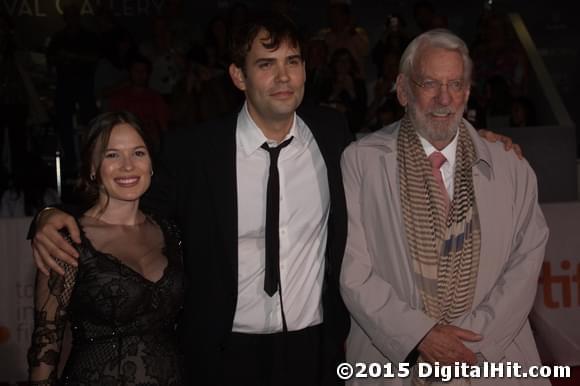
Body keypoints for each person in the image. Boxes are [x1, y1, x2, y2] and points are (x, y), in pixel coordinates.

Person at [30, 15, 520, 386]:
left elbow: (409, 140)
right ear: (239, 76)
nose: (283, 77)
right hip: (223, 351)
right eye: (266, 64)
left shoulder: (334, 135)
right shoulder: (196, 151)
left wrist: (481, 141)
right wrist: (52, 215)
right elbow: (125, 199)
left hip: (317, 349)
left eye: (293, 62)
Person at [339, 29, 548, 385]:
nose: (443, 98)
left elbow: (525, 266)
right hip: (396, 365)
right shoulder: (361, 162)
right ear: (403, 90)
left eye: (455, 84)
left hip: (490, 364)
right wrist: (420, 336)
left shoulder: (511, 167)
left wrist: (464, 343)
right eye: (429, 83)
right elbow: (354, 272)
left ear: (467, 92)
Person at [27, 111, 185, 385]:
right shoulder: (68, 239)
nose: (128, 166)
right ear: (92, 167)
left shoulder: (171, 232)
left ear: (151, 164)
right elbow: (45, 345)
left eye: (138, 153)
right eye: (112, 155)